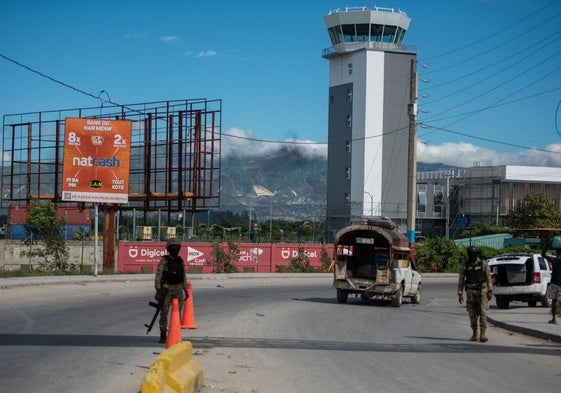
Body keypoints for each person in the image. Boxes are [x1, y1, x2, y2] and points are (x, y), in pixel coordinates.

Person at [154, 237, 188, 343]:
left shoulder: (180, 261)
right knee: (164, 312)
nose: (175, 248)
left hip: (178, 288)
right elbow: (158, 275)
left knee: (178, 313)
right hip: (166, 288)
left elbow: (183, 276)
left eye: (177, 246)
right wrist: (158, 289)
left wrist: (185, 289)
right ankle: (163, 333)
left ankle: (175, 332)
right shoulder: (164, 261)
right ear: (168, 248)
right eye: (173, 246)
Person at [457, 246, 493, 342]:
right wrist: (460, 293)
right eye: (470, 253)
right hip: (470, 291)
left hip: (482, 291)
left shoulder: (483, 263)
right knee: (472, 313)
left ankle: (483, 334)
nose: (471, 255)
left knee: (483, 312)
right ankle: (474, 333)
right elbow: (461, 279)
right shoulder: (465, 265)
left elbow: (489, 277)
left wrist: (490, 291)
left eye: (473, 253)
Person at [541, 246, 561, 324]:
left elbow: (543, 254)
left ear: (556, 252)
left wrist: (546, 244)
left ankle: (553, 319)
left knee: (553, 301)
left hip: (554, 283)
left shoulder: (553, 260)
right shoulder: (554, 260)